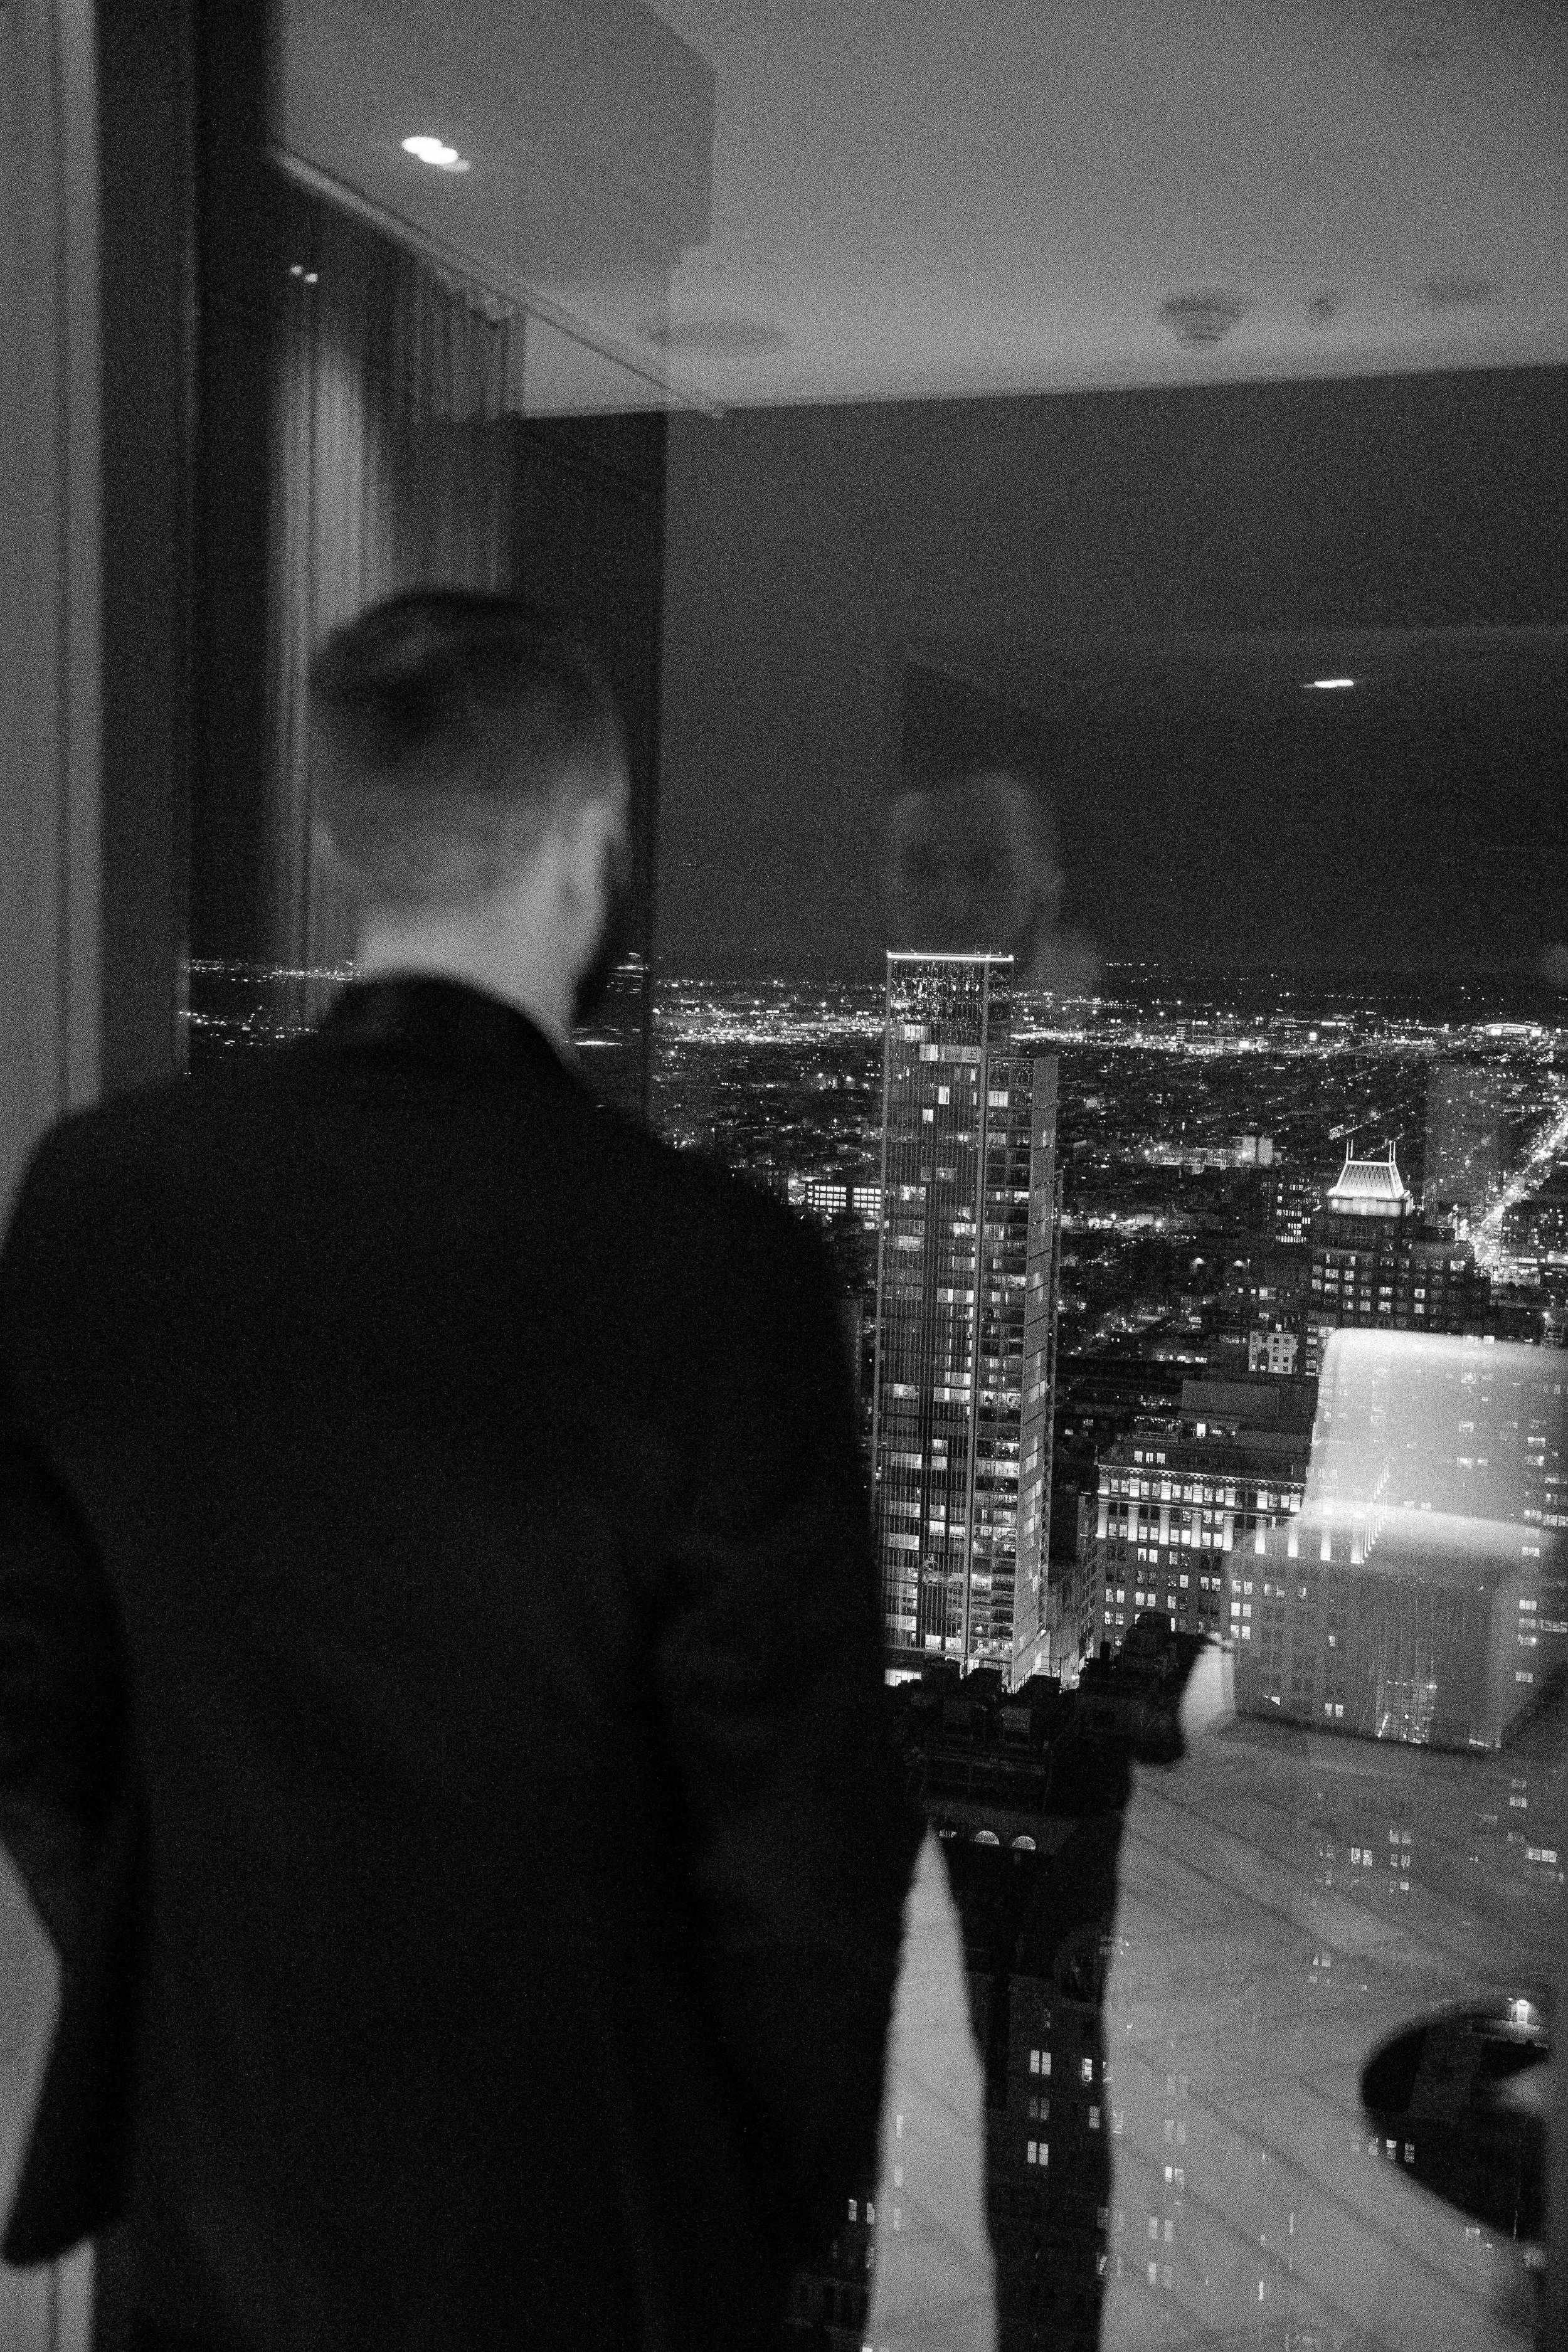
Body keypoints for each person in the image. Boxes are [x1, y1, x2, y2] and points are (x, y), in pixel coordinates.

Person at [0, 589, 923, 2349]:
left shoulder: (101, 1199)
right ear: (588, 856)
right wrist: (769, 2205)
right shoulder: (710, 1267)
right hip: (589, 2225)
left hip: (222, 2189)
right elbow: (808, 1829)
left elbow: (31, 1703)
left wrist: (207, 1952)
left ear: (343, 836)